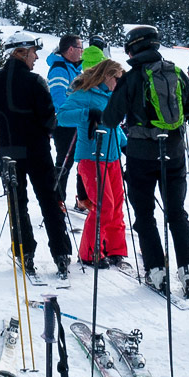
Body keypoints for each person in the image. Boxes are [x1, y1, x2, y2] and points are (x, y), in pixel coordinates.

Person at [97, 25, 189, 296]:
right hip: (174, 152)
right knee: (176, 212)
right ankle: (188, 268)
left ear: (132, 48)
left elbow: (110, 118)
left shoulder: (131, 78)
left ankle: (156, 270)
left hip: (141, 155)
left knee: (145, 215)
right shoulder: (176, 73)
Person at [0, 31, 72, 278]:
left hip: (8, 151)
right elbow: (49, 120)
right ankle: (61, 254)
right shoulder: (35, 81)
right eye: (34, 53)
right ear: (21, 52)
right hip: (37, 150)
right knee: (50, 201)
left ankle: (24, 252)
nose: (36, 58)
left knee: (17, 204)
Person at [56, 58, 130, 268]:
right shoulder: (84, 94)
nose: (118, 83)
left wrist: (125, 146)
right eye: (117, 78)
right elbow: (62, 117)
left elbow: (113, 127)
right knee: (103, 206)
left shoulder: (111, 96)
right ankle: (89, 253)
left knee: (116, 206)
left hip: (113, 157)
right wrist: (87, 113)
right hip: (92, 158)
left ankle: (114, 249)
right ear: (107, 76)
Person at [44, 33, 87, 204]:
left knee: (83, 160)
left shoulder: (74, 68)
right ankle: (56, 199)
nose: (82, 51)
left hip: (78, 121)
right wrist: (69, 116)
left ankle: (83, 197)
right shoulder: (60, 68)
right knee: (65, 162)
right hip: (65, 123)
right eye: (80, 47)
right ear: (70, 49)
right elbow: (58, 97)